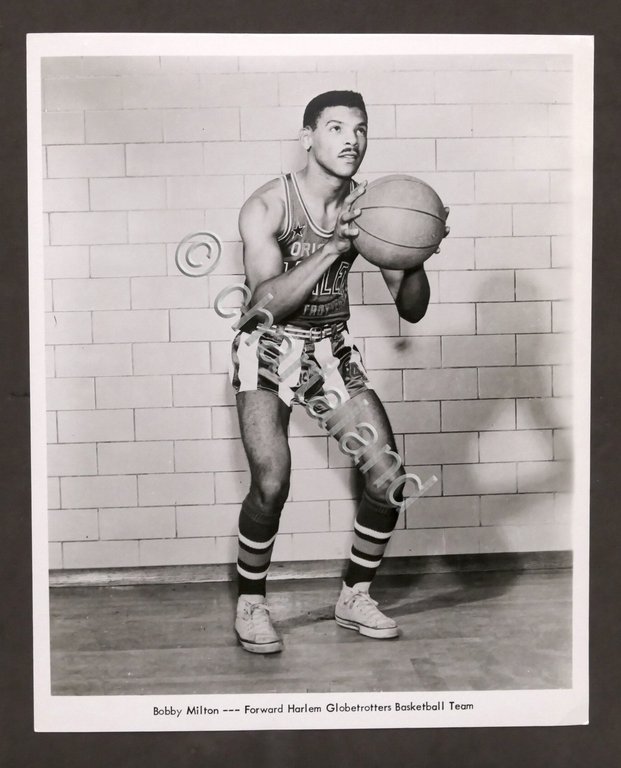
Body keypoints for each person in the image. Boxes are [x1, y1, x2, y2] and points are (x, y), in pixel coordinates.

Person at [229, 90, 448, 653]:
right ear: (309, 136)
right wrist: (336, 245)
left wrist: (414, 250)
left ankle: (353, 597)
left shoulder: (376, 206)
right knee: (271, 481)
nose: (351, 140)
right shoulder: (267, 206)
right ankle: (251, 602)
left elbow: (412, 307)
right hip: (269, 346)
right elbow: (264, 305)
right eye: (335, 128)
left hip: (330, 347)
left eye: (360, 129)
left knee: (387, 480)